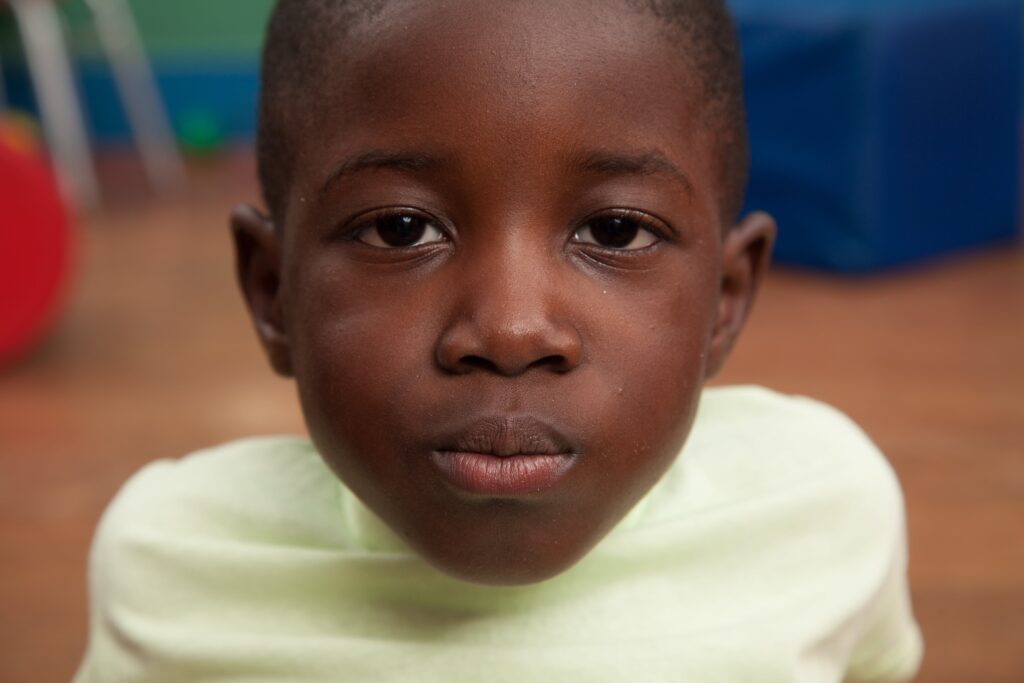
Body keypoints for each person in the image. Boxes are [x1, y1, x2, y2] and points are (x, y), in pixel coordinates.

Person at [74, 0, 923, 680]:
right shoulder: (173, 563)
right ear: (273, 293)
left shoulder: (822, 511)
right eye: (402, 228)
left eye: (619, 231)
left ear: (726, 302)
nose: (513, 330)